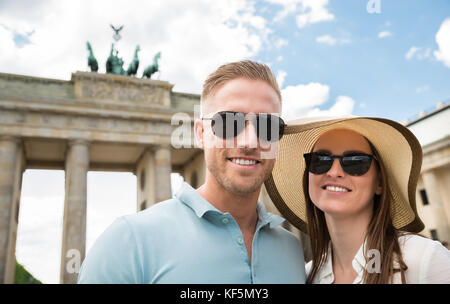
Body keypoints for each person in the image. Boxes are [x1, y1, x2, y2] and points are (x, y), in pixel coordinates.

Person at [77, 60, 306, 283]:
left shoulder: (291, 251)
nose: (249, 141)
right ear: (200, 133)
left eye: (267, 126)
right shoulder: (127, 243)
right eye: (229, 122)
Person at [265, 116, 450, 284]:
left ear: (379, 182)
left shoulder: (424, 260)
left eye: (355, 162)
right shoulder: (306, 276)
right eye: (320, 160)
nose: (334, 172)